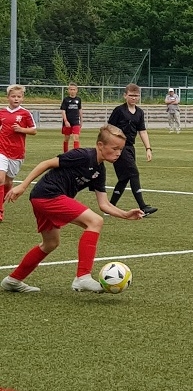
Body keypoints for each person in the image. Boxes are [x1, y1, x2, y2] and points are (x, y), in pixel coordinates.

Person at [0, 125, 146, 293]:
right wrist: (23, 186)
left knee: (50, 243)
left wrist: (125, 214)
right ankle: (82, 277)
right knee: (95, 221)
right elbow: (47, 163)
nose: (118, 153)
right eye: (114, 148)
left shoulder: (99, 170)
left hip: (43, 197)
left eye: (120, 149)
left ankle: (13, 280)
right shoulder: (83, 155)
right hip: (48, 194)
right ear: (100, 145)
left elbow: (104, 204)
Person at [106, 83, 157, 217]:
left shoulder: (139, 112)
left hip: (130, 147)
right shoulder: (119, 111)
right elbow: (109, 128)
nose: (134, 98)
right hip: (118, 147)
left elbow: (142, 131)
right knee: (133, 173)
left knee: (124, 178)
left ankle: (109, 207)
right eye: (131, 95)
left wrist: (148, 148)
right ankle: (143, 207)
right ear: (125, 96)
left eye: (136, 96)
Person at [0, 84, 38, 221]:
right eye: (13, 96)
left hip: (17, 153)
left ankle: (1, 202)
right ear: (8, 97)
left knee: (8, 181)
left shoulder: (25, 113)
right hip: (2, 150)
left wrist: (21, 129)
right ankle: (0, 211)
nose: (16, 99)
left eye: (18, 96)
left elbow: (33, 130)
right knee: (0, 178)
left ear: (22, 98)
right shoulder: (2, 112)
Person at [60, 82, 83, 153]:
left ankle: (76, 154)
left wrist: (81, 120)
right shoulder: (66, 100)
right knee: (66, 138)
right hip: (68, 122)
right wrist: (65, 121)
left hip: (76, 121)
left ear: (76, 90)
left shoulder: (78, 99)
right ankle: (65, 153)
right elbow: (63, 111)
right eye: (71, 89)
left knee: (76, 137)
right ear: (68, 90)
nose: (72, 91)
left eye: (74, 89)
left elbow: (80, 110)